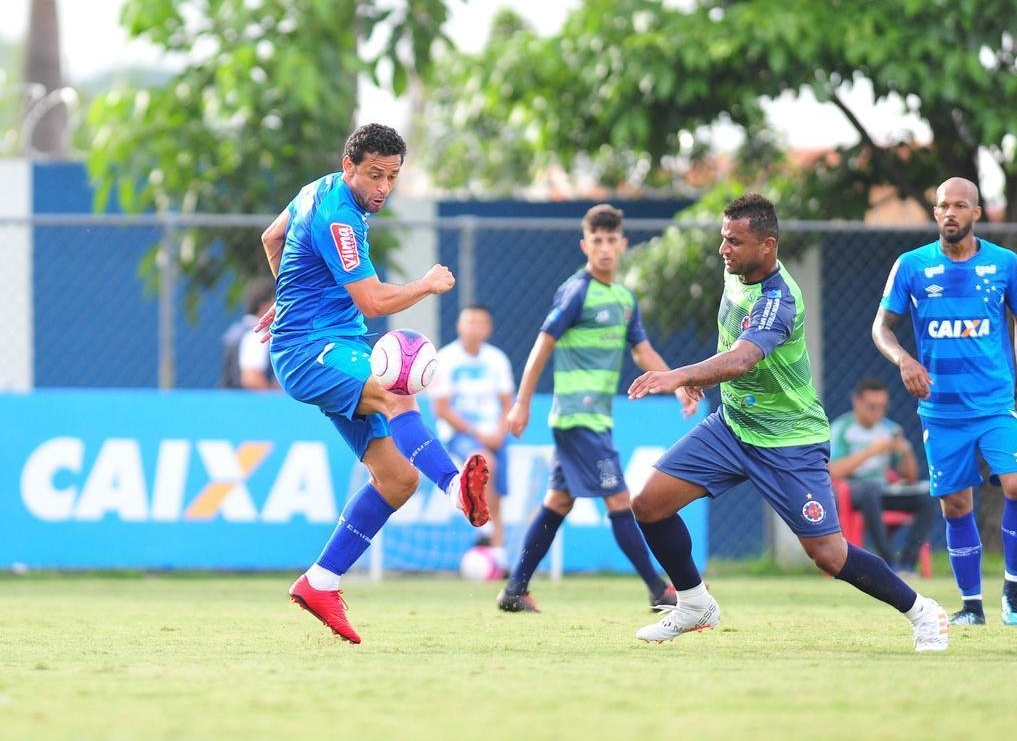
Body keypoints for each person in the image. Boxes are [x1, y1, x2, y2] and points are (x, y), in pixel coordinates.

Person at [627, 193, 949, 653]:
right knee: (649, 504)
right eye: (723, 239)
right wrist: (703, 379)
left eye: (735, 242)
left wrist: (680, 375)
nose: (724, 250)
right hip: (733, 425)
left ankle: (922, 612)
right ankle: (695, 604)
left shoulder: (780, 301)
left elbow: (742, 358)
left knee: (828, 555)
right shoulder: (734, 270)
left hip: (788, 441)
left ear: (768, 246)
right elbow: (729, 345)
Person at [256, 123, 490, 644]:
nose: (383, 188)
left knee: (397, 480)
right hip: (311, 349)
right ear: (349, 167)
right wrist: (427, 284)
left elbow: (272, 237)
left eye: (392, 177)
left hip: (334, 343)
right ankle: (456, 489)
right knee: (396, 389)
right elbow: (374, 302)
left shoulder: (313, 190)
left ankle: (320, 581)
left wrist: (288, 294)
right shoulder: (340, 217)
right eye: (374, 175)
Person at [500, 204, 698, 613]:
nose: (605, 248)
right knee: (620, 500)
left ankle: (515, 590)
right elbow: (542, 344)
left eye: (612, 241)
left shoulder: (624, 299)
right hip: (578, 417)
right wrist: (522, 404)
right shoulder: (577, 291)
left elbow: (643, 353)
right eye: (597, 241)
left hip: (593, 420)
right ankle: (659, 590)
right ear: (584, 245)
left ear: (623, 245)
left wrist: (677, 385)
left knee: (558, 501)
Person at [871, 176, 1017, 627]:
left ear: (976, 213)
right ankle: (972, 607)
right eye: (943, 205)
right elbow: (881, 328)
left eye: (960, 206)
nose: (950, 213)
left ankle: (1015, 591)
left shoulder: (1004, 264)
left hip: (994, 403)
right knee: (956, 506)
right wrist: (905, 360)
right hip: (941, 410)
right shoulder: (910, 265)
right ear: (935, 213)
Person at [430, 303, 515, 561]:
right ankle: (485, 526)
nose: (474, 328)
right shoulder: (445, 359)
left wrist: (500, 431)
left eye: (480, 323)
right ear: (459, 326)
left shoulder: (497, 359)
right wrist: (480, 433)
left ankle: (497, 555)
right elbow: (442, 410)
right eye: (469, 322)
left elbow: (507, 404)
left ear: (488, 328)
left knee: (497, 494)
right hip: (460, 436)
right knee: (484, 462)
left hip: (495, 434)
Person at [828, 377, 938, 574]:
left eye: (882, 407)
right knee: (870, 489)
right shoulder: (841, 428)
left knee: (927, 496)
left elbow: (910, 476)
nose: (878, 413)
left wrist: (905, 452)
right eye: (872, 407)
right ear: (857, 402)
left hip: (884, 490)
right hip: (851, 492)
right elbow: (834, 471)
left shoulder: (891, 429)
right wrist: (871, 451)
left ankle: (906, 564)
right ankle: (887, 563)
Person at [219, 278, 277, 389]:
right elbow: (252, 378)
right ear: (265, 306)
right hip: (248, 403)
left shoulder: (238, 329)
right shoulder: (256, 335)